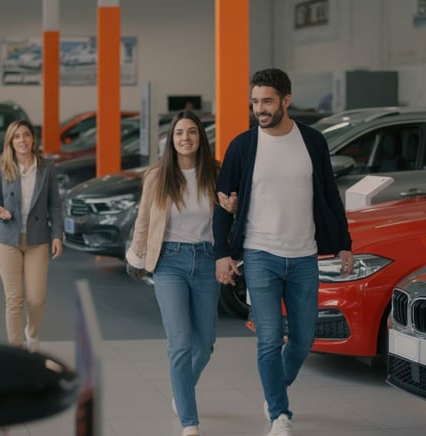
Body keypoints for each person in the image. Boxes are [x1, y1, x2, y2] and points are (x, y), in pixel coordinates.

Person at [212, 68, 354, 436]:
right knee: (269, 337)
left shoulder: (313, 142)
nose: (259, 108)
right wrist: (221, 253)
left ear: (286, 101)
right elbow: (221, 202)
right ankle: (280, 413)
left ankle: (275, 387)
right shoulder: (242, 146)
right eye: (255, 101)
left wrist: (343, 244)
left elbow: (328, 197)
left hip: (304, 255)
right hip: (260, 254)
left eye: (267, 101)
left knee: (304, 339)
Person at [125, 110, 220, 436]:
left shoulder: (214, 174)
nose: (185, 138)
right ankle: (189, 422)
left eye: (191, 132)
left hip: (206, 260)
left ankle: (182, 391)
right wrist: (136, 257)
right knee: (179, 342)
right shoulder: (157, 176)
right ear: (171, 139)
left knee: (204, 345)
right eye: (179, 133)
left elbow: (226, 220)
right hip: (169, 262)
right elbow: (144, 220)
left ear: (200, 137)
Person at [0, 119, 63, 352]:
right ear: (10, 141)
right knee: (14, 299)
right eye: (17, 136)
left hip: (37, 240)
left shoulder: (47, 167)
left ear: (33, 139)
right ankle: (16, 349)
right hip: (6, 240)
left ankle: (32, 332)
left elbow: (55, 205)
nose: (22, 140)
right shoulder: (1, 166)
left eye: (26, 135)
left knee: (36, 299)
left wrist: (57, 235)